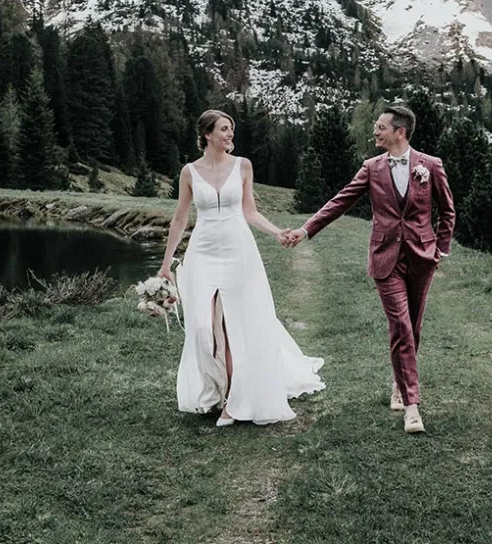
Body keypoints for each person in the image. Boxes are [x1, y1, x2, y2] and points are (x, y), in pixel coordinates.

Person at [285, 104, 455, 434]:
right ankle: (412, 407)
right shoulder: (371, 168)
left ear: (400, 132)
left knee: (413, 328)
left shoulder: (430, 165)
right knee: (401, 327)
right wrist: (305, 230)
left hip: (422, 257)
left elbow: (447, 211)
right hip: (384, 257)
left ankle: (399, 381)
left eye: (380, 127)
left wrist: (440, 249)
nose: (374, 132)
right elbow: (340, 201)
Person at [157, 109, 324, 427]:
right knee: (203, 327)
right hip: (202, 252)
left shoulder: (243, 166)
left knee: (234, 326)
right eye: (224, 129)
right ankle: (215, 388)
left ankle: (233, 400)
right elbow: (179, 219)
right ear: (207, 134)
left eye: (231, 129)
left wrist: (276, 232)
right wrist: (166, 265)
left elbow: (250, 211)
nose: (230, 134)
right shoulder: (189, 172)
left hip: (238, 250)